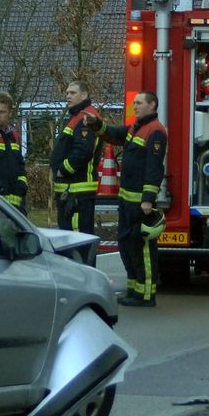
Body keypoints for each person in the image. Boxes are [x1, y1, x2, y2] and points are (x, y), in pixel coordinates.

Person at [85, 91, 167, 307]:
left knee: (143, 249)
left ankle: (146, 295)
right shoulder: (135, 127)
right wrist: (96, 124)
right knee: (127, 245)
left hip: (140, 202)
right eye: (134, 103)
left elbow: (154, 168)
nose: (135, 106)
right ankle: (134, 289)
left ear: (152, 105)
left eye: (139, 103)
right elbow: (112, 134)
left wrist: (148, 199)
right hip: (126, 199)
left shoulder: (155, 131)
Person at [50, 80, 102, 245]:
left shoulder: (86, 117)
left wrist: (63, 169)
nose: (68, 96)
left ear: (84, 95)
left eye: (72, 93)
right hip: (70, 190)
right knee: (70, 239)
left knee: (77, 240)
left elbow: (84, 150)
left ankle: (82, 271)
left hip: (78, 192)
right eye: (67, 93)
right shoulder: (76, 116)